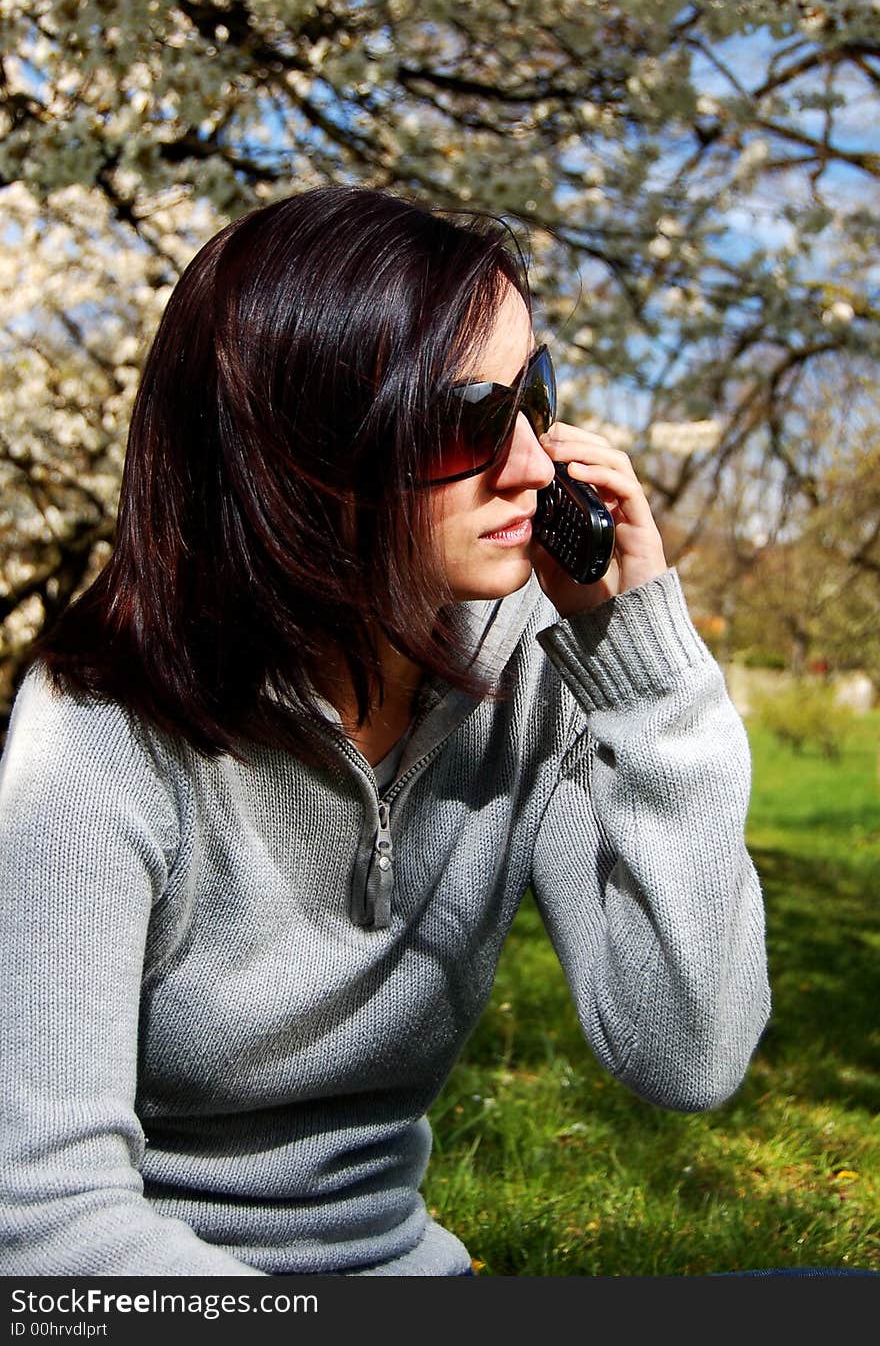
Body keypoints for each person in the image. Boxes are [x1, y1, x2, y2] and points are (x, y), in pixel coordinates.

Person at [0, 185, 771, 1277]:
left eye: (531, 396)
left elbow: (688, 1052)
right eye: (466, 419)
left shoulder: (526, 662)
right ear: (299, 455)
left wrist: (646, 673)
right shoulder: (97, 731)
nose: (534, 465)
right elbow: (44, 1220)